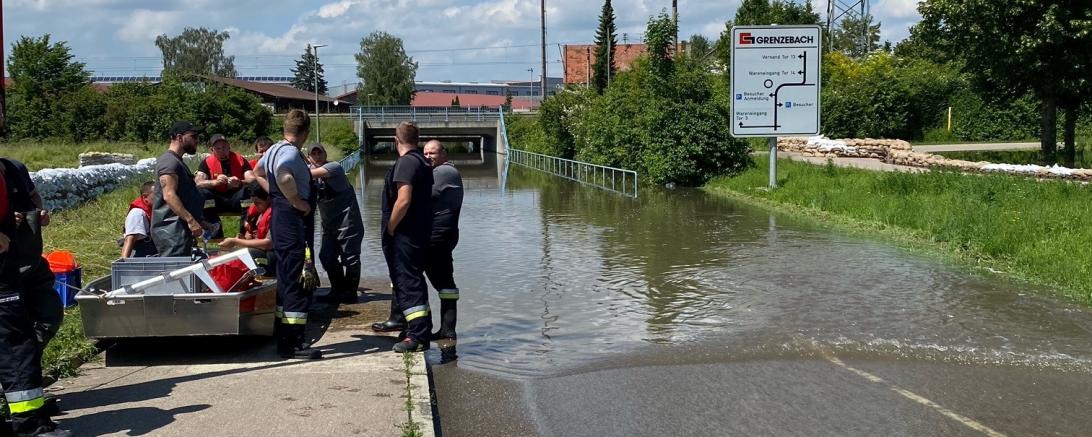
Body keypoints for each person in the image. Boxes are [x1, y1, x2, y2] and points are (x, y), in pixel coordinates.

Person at [0, 158, 72, 437]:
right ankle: (29, 421)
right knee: (16, 344)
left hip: (28, 261)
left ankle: (25, 398)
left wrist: (38, 211)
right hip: (7, 270)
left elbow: (32, 196)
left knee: (44, 320)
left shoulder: (13, 168)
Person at [255, 109, 321, 360]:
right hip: (293, 220)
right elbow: (283, 175)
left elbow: (257, 173)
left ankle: (284, 339)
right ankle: (295, 344)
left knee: (285, 277)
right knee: (297, 279)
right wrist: (296, 201)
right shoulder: (290, 153)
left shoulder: (272, 150)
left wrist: (275, 195)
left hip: (280, 219)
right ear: (304, 132)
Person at [375, 122, 434, 353]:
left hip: (404, 234)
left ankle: (417, 336)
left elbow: (404, 200)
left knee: (408, 282)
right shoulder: (421, 161)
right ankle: (418, 329)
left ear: (395, 140)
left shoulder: (406, 163)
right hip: (418, 231)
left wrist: (390, 227)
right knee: (413, 280)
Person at [306, 144, 364, 304]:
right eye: (313, 154)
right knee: (326, 256)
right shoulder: (311, 174)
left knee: (350, 258)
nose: (317, 156)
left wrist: (296, 168)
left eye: (320, 152)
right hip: (329, 224)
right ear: (309, 157)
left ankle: (350, 293)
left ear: (325, 154)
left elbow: (308, 174)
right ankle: (338, 290)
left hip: (348, 221)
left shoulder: (334, 167)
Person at [422, 140, 463, 341]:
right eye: (425, 153)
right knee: (443, 281)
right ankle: (446, 331)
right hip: (440, 235)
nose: (428, 156)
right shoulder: (440, 171)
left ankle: (430, 328)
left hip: (437, 236)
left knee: (413, 275)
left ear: (444, 154)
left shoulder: (444, 172)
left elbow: (423, 195)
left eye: (433, 153)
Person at [151, 121, 209, 257]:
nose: (197, 141)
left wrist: (199, 221)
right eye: (194, 136)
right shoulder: (169, 162)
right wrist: (191, 221)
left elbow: (184, 196)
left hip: (178, 231)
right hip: (171, 232)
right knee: (176, 274)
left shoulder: (177, 161)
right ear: (179, 137)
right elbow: (169, 195)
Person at [195, 134, 254, 239]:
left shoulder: (240, 160)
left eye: (224, 147)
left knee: (249, 189)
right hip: (216, 201)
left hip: (237, 199)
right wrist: (214, 182)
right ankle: (215, 230)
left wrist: (240, 182)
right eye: (218, 148)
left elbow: (252, 180)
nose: (222, 151)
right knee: (200, 192)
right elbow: (198, 182)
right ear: (212, 150)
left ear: (229, 147)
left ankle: (244, 231)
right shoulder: (206, 162)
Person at [219, 184, 275, 276]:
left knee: (245, 254)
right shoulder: (256, 215)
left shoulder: (275, 215)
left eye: (258, 202)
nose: (255, 206)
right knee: (225, 254)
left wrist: (236, 241)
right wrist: (242, 240)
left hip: (271, 257)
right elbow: (249, 237)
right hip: (259, 252)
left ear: (268, 199)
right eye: (253, 202)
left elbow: (268, 244)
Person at [120, 181, 158, 258]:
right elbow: (129, 240)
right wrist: (123, 264)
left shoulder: (154, 210)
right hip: (140, 256)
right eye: (157, 195)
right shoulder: (138, 214)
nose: (161, 197)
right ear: (145, 197)